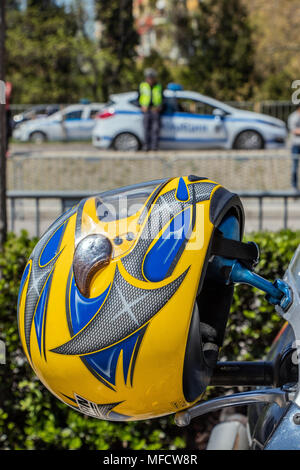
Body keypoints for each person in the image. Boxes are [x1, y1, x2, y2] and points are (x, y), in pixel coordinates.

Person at [138, 68, 163, 151]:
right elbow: (138, 98)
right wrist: (141, 106)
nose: (150, 80)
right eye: (149, 78)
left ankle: (154, 147)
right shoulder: (142, 85)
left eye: (152, 78)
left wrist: (159, 107)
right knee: (146, 129)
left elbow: (163, 99)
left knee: (155, 130)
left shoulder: (159, 86)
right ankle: (146, 147)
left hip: (155, 111)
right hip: (146, 111)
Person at [288, 105, 300, 191]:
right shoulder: (293, 117)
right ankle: (294, 187)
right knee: (294, 167)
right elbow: (294, 130)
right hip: (296, 144)